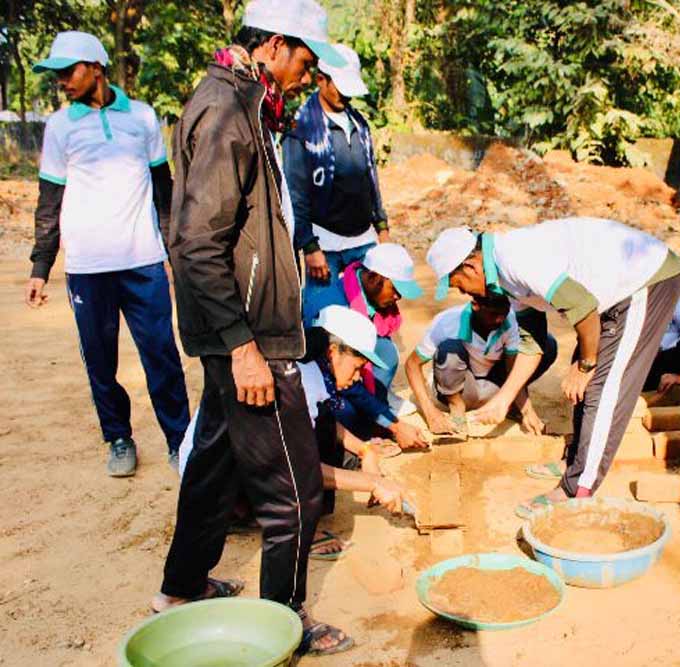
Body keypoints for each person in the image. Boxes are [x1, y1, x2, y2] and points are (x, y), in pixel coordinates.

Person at [154, 0, 354, 656]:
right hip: (251, 336)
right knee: (294, 491)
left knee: (213, 464)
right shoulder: (225, 109)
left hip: (243, 328)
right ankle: (286, 619)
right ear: (273, 44)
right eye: (305, 58)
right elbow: (195, 242)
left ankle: (181, 587)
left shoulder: (250, 102)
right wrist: (243, 347)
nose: (309, 73)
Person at [427, 218, 680, 517]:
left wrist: (586, 365)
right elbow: (531, 344)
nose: (464, 294)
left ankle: (578, 488)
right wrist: (503, 400)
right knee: (586, 376)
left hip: (645, 281)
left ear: (471, 267)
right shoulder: (505, 280)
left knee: (603, 387)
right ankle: (576, 460)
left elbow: (582, 307)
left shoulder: (516, 260)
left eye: (459, 285)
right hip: (609, 299)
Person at [25, 31, 189, 476]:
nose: (61, 81)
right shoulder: (60, 126)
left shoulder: (142, 117)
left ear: (96, 67)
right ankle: (118, 438)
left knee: (162, 355)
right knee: (100, 360)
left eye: (68, 71)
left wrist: (176, 256)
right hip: (87, 267)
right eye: (57, 74)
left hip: (143, 261)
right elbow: (49, 200)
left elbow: (163, 192)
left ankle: (180, 441)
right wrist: (41, 266)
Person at [177, 306, 414, 562]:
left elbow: (325, 424)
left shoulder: (310, 369)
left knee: (323, 423)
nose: (358, 378)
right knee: (298, 461)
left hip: (233, 463)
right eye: (357, 367)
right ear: (333, 352)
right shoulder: (298, 381)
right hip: (215, 484)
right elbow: (296, 467)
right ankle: (282, 526)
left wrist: (365, 450)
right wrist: (374, 483)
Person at [282, 44, 389, 315]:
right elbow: (295, 194)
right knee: (325, 318)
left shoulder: (359, 124)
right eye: (340, 88)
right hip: (324, 244)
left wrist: (382, 227)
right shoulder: (301, 128)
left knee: (370, 316)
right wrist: (309, 246)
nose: (346, 96)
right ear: (321, 80)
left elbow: (370, 177)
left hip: (363, 240)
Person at [403, 292, 557, 436]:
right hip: (462, 389)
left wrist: (526, 410)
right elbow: (412, 365)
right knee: (449, 348)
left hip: (493, 387)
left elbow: (513, 368)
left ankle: (508, 404)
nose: (500, 320)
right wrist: (430, 412)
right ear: (475, 305)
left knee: (545, 345)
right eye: (493, 314)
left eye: (503, 313)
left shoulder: (509, 319)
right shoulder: (447, 322)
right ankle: (456, 407)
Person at [305, 243, 423, 408]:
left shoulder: (369, 290)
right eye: (395, 289)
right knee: (350, 413)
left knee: (387, 352)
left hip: (344, 363)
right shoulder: (331, 305)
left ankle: (380, 397)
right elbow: (324, 362)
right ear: (374, 278)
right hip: (322, 373)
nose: (398, 296)